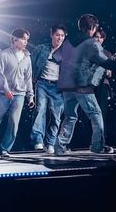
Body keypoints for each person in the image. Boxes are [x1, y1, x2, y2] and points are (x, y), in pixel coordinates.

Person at [54, 14, 116, 155]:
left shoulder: (67, 42)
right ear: (93, 28)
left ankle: (59, 147)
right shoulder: (91, 43)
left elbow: (56, 56)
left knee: (70, 116)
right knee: (95, 113)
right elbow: (106, 62)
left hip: (66, 85)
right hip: (81, 85)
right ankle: (97, 146)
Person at [0, 28, 35, 157]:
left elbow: (28, 78)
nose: (25, 42)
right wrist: (6, 90)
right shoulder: (4, 55)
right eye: (23, 39)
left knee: (13, 122)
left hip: (20, 94)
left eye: (27, 40)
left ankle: (5, 149)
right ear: (14, 39)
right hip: (3, 94)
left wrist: (30, 96)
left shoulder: (27, 57)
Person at [29, 24, 67, 153]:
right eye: (57, 35)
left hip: (58, 88)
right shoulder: (42, 49)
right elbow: (30, 65)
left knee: (56, 116)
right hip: (42, 84)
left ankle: (50, 142)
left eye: (62, 35)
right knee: (40, 110)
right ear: (52, 35)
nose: (59, 38)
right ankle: (38, 140)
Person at [92, 28, 116, 145]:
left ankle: (101, 141)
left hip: (103, 85)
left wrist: (107, 71)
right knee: (89, 113)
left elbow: (110, 74)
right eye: (96, 37)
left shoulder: (107, 53)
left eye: (101, 37)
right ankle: (91, 139)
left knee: (102, 113)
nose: (99, 39)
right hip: (89, 86)